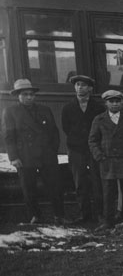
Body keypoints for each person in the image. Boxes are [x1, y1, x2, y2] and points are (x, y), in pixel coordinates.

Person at [3, 79, 68, 224]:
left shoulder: (45, 109)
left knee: (55, 186)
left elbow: (54, 132)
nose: (29, 97)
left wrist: (52, 150)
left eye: (31, 94)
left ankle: (59, 215)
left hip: (46, 154)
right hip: (25, 156)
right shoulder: (10, 112)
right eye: (25, 94)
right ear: (18, 96)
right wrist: (13, 157)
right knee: (29, 188)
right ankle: (35, 216)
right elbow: (9, 137)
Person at [89, 90, 123, 231]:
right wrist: (99, 156)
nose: (114, 104)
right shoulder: (99, 119)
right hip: (108, 161)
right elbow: (93, 140)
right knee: (108, 192)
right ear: (106, 103)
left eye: (117, 101)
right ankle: (108, 221)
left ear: (122, 102)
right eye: (111, 101)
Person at [61, 74, 103, 223]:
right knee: (80, 183)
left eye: (83, 85)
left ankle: (100, 214)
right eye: (77, 85)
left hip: (93, 149)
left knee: (97, 182)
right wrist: (77, 141)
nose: (80, 87)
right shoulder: (68, 107)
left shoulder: (99, 107)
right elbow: (66, 128)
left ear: (90, 88)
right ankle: (84, 215)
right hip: (76, 149)